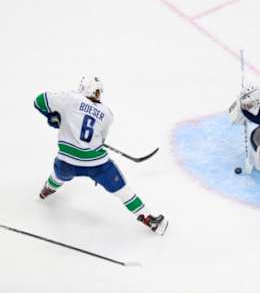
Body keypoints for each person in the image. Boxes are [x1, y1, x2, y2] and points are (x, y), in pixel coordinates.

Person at [33, 77, 168, 233]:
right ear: (92, 90)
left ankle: (46, 190)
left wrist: (52, 117)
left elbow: (39, 101)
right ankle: (148, 219)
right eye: (98, 91)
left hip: (66, 161)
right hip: (96, 164)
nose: (99, 94)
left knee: (59, 175)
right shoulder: (107, 114)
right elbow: (101, 139)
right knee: (123, 190)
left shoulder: (69, 98)